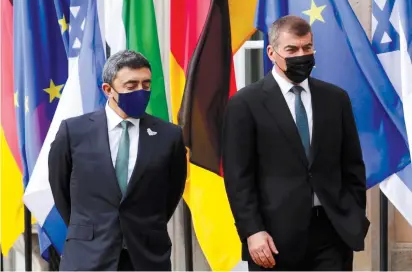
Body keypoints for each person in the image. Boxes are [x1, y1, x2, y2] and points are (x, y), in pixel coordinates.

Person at [222, 15, 370, 271]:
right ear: (272, 52)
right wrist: (252, 231)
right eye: (291, 49)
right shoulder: (245, 104)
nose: (301, 55)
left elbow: (352, 165)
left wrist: (352, 216)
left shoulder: (336, 99)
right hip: (273, 239)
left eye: (307, 47)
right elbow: (238, 178)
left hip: (332, 234)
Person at [49, 50, 187, 271]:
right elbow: (60, 189)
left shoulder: (168, 136)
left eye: (146, 84)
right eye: (131, 86)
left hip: (146, 256)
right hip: (89, 256)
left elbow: (171, 193)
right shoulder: (73, 131)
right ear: (108, 90)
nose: (141, 91)